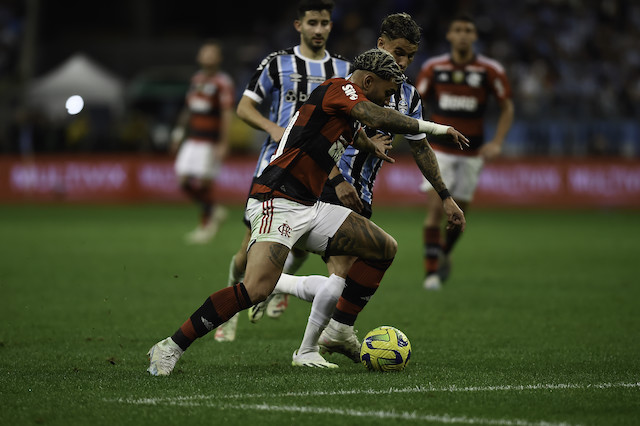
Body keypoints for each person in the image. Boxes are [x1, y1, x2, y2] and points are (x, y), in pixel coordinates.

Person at [147, 48, 468, 375]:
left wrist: (367, 146)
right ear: (368, 81)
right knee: (256, 288)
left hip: (310, 204)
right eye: (386, 92)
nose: (389, 100)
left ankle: (338, 329)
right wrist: (437, 129)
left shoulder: (345, 108)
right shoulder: (339, 88)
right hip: (277, 198)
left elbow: (335, 132)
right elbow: (372, 116)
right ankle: (170, 346)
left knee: (383, 247)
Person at [248, 12, 453, 365]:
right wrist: (338, 180)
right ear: (381, 45)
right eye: (398, 52)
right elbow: (313, 137)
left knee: (349, 267)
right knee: (340, 272)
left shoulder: (409, 98)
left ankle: (277, 288)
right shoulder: (349, 85)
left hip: (363, 192)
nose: (403, 62)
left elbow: (420, 148)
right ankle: (314, 342)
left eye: (410, 57)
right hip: (327, 185)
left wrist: (446, 197)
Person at [213, 0, 352, 342]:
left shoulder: (343, 70)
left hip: (320, 172)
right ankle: (229, 311)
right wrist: (275, 130)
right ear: (298, 25)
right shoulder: (278, 64)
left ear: (331, 26)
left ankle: (276, 287)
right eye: (312, 23)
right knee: (248, 251)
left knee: (305, 244)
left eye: (324, 23)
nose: (318, 29)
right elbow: (244, 107)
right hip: (274, 171)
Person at [415, 14, 514, 290]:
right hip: (439, 150)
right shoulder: (434, 67)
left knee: (460, 217)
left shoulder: (489, 70)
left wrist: (497, 142)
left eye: (467, 30)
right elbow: (416, 99)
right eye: (457, 29)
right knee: (436, 210)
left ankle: (444, 253)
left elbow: (507, 106)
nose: (462, 34)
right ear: (449, 35)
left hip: (472, 153)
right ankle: (431, 274)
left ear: (474, 36)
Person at [170, 40, 234, 244]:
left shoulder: (223, 82)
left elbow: (226, 113)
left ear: (219, 58)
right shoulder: (196, 79)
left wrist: (224, 142)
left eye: (211, 53)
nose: (207, 57)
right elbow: (188, 109)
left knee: (205, 182)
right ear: (199, 57)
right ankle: (214, 210)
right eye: (204, 53)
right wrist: (178, 134)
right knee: (183, 180)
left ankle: (206, 225)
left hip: (210, 140)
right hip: (193, 138)